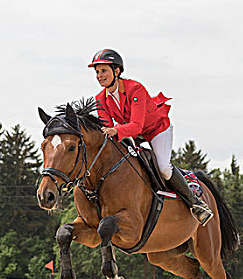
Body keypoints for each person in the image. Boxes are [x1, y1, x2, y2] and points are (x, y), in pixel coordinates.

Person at [88, 48, 213, 225]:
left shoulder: (135, 88)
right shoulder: (100, 99)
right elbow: (107, 128)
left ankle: (196, 203)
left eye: (103, 71)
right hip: (132, 134)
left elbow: (136, 125)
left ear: (116, 71)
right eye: (97, 72)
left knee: (163, 167)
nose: (99, 75)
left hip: (156, 129)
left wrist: (116, 130)